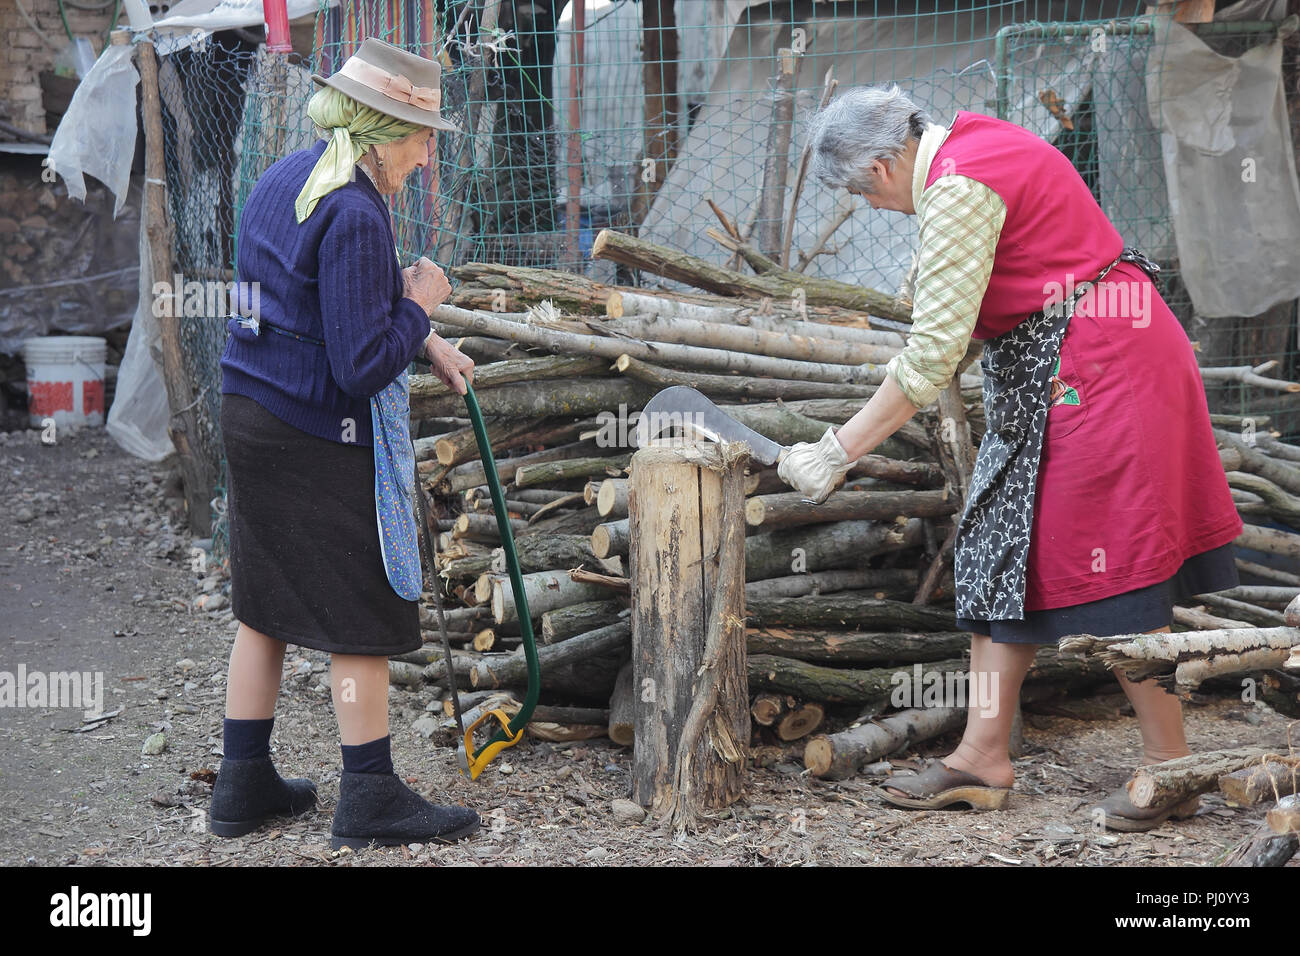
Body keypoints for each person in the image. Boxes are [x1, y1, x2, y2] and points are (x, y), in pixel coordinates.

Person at [780, 85, 1243, 831]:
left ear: (885, 160)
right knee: (998, 549)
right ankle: (982, 756)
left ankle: (1171, 767)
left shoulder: (960, 183)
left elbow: (931, 357)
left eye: (862, 190)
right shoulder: (961, 154)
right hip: (1050, 370)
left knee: (1108, 568)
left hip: (1101, 369)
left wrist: (838, 450)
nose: (867, 205)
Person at [209, 38, 479, 849]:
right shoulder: (357, 209)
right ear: (381, 128)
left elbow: (320, 303)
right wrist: (423, 306)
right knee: (359, 613)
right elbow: (359, 364)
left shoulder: (287, 175)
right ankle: (368, 796)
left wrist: (416, 337)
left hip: (251, 411)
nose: (429, 154)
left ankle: (242, 785)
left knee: (264, 610)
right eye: (423, 135)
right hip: (313, 431)